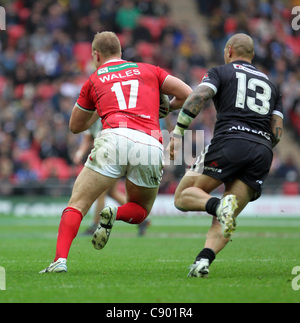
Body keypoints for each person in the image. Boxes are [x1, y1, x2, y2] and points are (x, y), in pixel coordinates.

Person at [40, 31, 192, 273]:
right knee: (140, 211)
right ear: (121, 52)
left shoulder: (93, 79)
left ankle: (59, 261)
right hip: (150, 142)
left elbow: (75, 126)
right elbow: (188, 94)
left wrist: (101, 108)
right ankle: (115, 212)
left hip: (114, 138)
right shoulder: (148, 69)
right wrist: (164, 110)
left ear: (96, 55)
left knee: (77, 203)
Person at [167, 33, 283, 278]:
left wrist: (177, 133)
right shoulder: (272, 86)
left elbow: (198, 96)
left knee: (183, 197)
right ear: (252, 55)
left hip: (230, 142)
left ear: (229, 50)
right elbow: (277, 132)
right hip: (262, 151)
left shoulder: (221, 71)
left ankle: (218, 205)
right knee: (228, 215)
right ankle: (203, 261)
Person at [73, 118, 149, 237]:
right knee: (112, 193)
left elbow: (88, 138)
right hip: (113, 154)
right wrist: (80, 153)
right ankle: (142, 219)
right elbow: (88, 138)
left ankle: (95, 225)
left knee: (100, 192)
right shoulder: (95, 114)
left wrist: (80, 153)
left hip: (109, 154)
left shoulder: (96, 114)